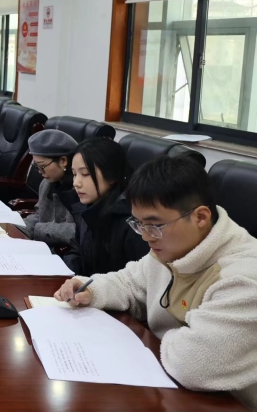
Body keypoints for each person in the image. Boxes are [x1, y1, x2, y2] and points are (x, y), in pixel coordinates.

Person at [54, 156, 257, 409]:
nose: (146, 237)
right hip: (170, 386)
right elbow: (129, 283)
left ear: (200, 217)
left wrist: (152, 339)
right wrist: (91, 290)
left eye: (154, 225)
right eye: (139, 224)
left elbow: (194, 364)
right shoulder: (174, 248)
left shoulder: (245, 278)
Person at [67, 138, 149, 275]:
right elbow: (78, 252)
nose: (76, 182)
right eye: (74, 174)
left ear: (111, 176)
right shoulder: (88, 208)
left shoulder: (131, 222)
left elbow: (138, 277)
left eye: (85, 174)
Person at [22, 130, 80, 253]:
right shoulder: (47, 183)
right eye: (36, 166)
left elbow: (77, 231)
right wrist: (18, 228)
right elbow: (39, 215)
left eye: (42, 166)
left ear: (63, 161)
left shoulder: (81, 188)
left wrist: (39, 229)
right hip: (44, 248)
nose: (39, 171)